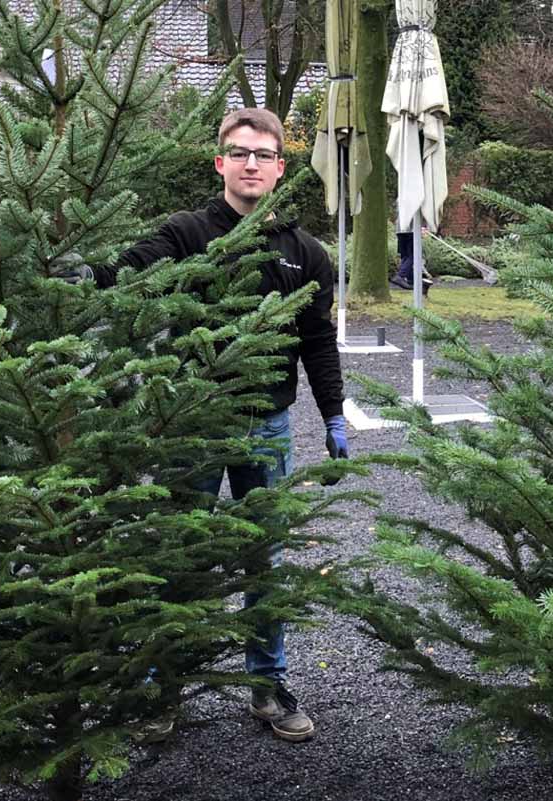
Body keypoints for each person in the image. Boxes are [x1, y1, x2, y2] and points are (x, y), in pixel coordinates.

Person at [91, 108, 348, 743]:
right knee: (181, 557)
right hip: (192, 425)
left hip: (268, 425)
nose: (252, 164)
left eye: (263, 154)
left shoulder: (306, 254)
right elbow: (133, 267)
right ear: (221, 163)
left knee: (266, 558)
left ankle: (267, 683)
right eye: (240, 153)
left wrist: (335, 414)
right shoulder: (186, 233)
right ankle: (164, 687)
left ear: (280, 167)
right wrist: (82, 273)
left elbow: (318, 342)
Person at [391, 228, 432, 293]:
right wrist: (422, 228)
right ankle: (400, 276)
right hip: (410, 232)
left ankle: (411, 281)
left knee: (405, 256)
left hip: (400, 231)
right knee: (413, 255)